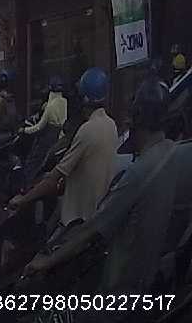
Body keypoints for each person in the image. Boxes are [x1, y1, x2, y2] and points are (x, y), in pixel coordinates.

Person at [24, 78, 178, 298]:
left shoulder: (135, 169)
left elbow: (90, 229)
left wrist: (47, 262)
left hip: (117, 282)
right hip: (148, 274)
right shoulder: (169, 152)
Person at [10, 68, 119, 232]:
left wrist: (23, 199)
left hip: (77, 221)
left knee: (48, 248)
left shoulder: (87, 130)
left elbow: (53, 177)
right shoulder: (111, 125)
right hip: (98, 214)